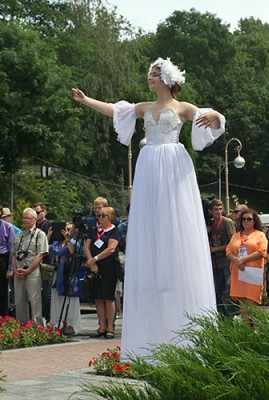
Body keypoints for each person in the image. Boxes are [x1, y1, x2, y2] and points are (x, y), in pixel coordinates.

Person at [73, 57, 224, 358]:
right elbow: (115, 110)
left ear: (166, 79)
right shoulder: (144, 108)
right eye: (149, 74)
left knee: (174, 227)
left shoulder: (182, 108)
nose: (149, 78)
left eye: (154, 75)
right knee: (150, 229)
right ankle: (150, 330)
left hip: (172, 166)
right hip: (149, 166)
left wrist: (217, 116)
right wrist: (86, 99)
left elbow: (212, 118)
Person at [84, 206, 121, 339]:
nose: (99, 218)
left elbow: (111, 249)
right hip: (94, 267)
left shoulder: (114, 231)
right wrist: (91, 261)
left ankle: (110, 327)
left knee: (108, 297)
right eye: (98, 216)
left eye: (102, 215)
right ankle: (102, 326)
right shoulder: (93, 231)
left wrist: (96, 258)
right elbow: (87, 246)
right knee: (98, 298)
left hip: (108, 267)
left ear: (110, 216)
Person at [226, 209, 267, 324]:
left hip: (252, 274)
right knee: (243, 306)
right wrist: (237, 261)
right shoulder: (235, 236)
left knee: (253, 304)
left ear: (254, 221)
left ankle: (257, 332)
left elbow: (262, 251)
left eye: (249, 219)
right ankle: (247, 333)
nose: (246, 221)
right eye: (243, 219)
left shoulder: (260, 235)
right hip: (238, 274)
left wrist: (243, 260)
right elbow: (228, 251)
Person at [49, 223, 83, 335]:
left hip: (69, 274)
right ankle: (61, 322)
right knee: (57, 298)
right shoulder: (57, 243)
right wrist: (48, 236)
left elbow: (73, 252)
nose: (66, 231)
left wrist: (68, 240)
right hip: (57, 274)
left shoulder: (74, 242)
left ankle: (71, 324)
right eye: (64, 229)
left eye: (69, 229)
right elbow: (49, 251)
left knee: (70, 299)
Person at [208, 199, 236, 316]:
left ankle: (230, 317)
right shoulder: (209, 224)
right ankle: (222, 317)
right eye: (216, 209)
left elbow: (233, 243)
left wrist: (215, 249)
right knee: (217, 291)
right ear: (210, 211)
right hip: (215, 263)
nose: (219, 212)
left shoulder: (227, 222)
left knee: (227, 291)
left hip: (226, 262)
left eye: (220, 209)